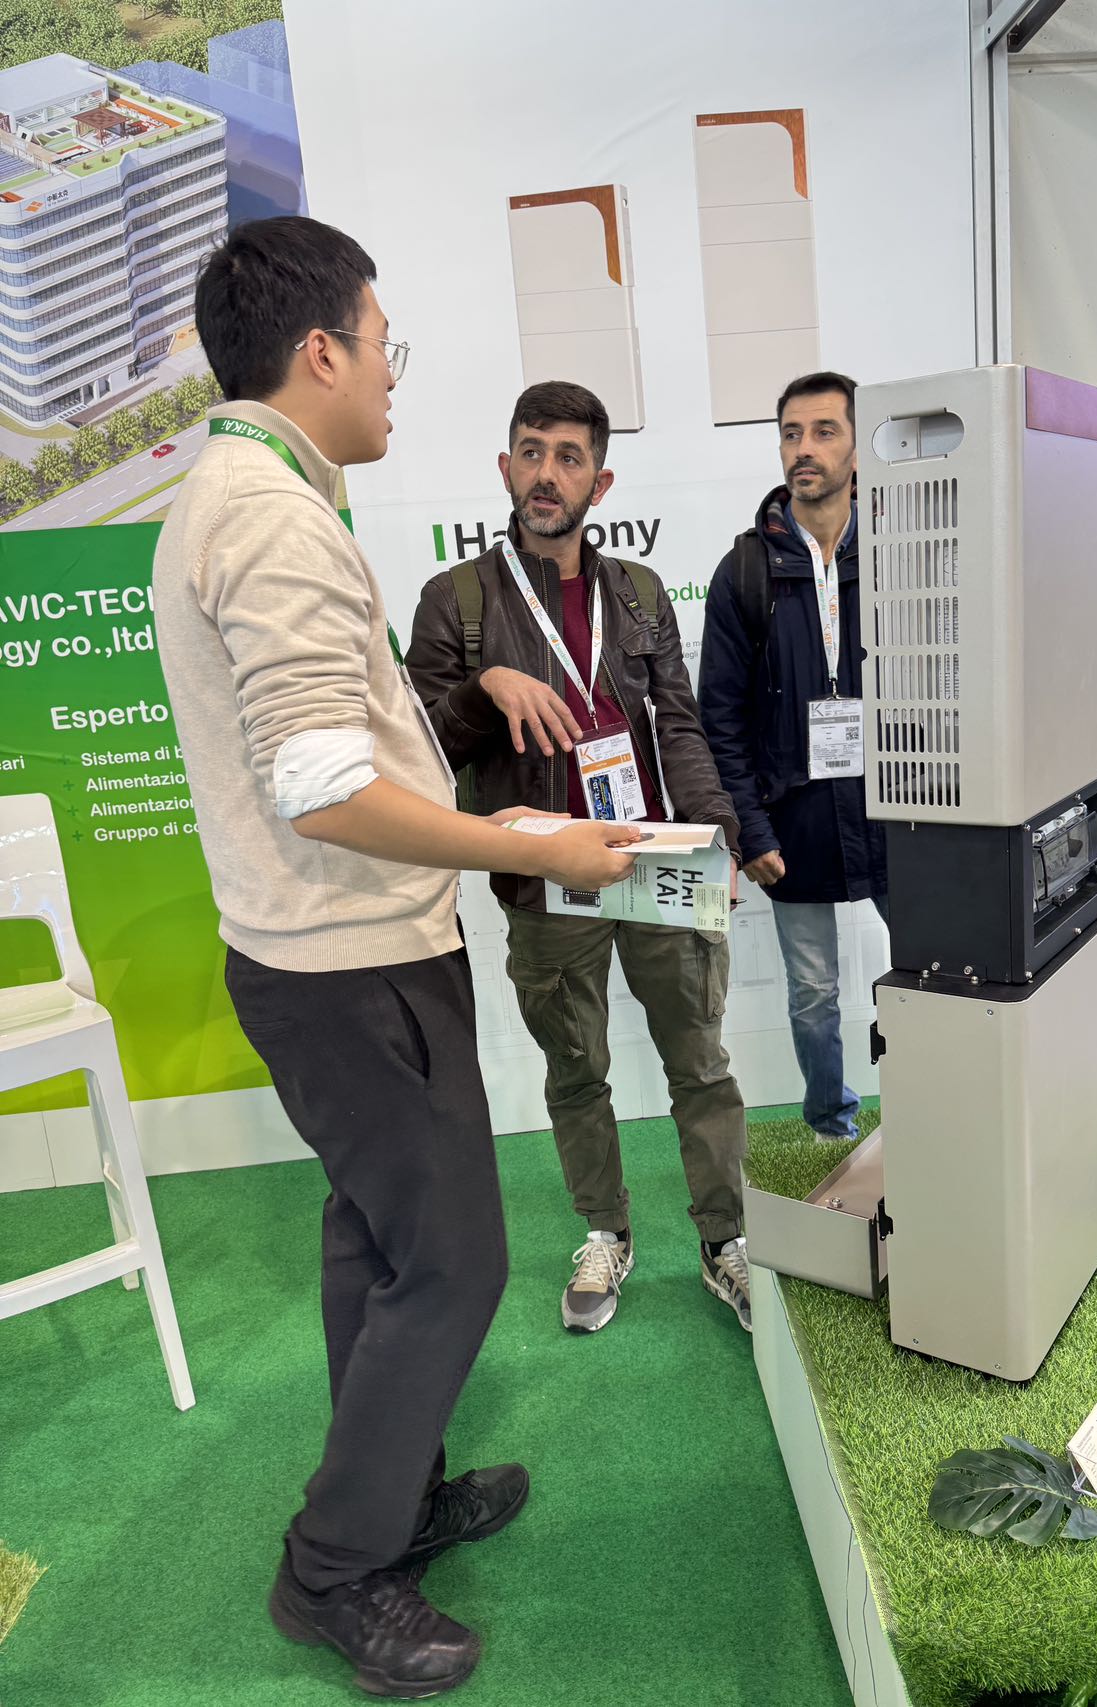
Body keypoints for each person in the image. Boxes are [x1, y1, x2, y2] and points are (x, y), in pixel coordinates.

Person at [152, 218, 640, 1699]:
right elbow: (321, 785)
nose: (389, 376)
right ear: (320, 350)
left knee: (375, 1241)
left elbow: (332, 746)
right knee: (454, 1262)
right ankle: (334, 1570)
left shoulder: (238, 493)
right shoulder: (274, 517)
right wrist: (523, 846)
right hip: (348, 963)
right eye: (382, 346)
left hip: (322, 954)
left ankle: (398, 1492)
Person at [407, 380, 753, 1336]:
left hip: (653, 862)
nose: (546, 473)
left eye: (569, 457)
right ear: (505, 466)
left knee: (701, 1063)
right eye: (531, 451)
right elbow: (422, 748)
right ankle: (606, 1230)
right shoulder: (457, 601)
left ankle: (724, 1240)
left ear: (600, 482)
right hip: (545, 879)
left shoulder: (638, 592)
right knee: (574, 1070)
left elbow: (678, 727)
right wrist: (483, 685)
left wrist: (718, 833)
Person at [698, 371, 887, 1145]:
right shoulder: (746, 571)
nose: (804, 448)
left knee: (932, 979)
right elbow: (720, 717)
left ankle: (935, 1113)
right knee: (813, 993)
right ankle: (830, 1125)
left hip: (900, 812)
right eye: (791, 433)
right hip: (794, 820)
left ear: (858, 446)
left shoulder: (900, 549)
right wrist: (750, 830)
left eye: (824, 431)